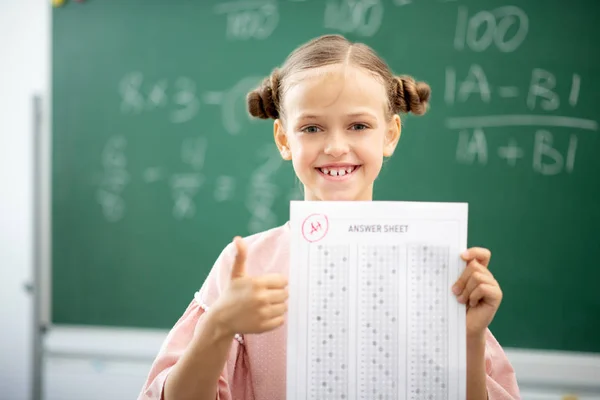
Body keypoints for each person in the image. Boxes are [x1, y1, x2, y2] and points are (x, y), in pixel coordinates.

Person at [138, 34, 520, 400]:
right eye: (311, 128)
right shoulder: (247, 267)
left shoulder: (436, 266)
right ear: (284, 139)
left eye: (358, 126)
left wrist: (469, 339)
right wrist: (218, 327)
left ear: (390, 135)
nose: (336, 147)